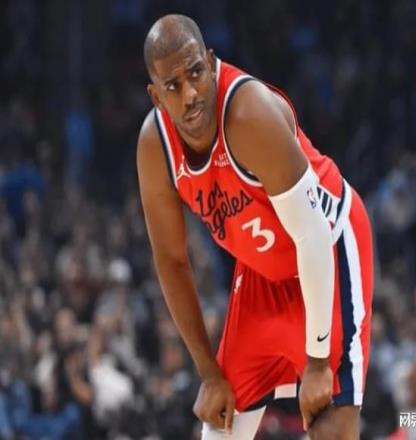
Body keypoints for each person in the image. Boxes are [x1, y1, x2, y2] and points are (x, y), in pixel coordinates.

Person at [137, 14, 373, 440]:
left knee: (331, 430)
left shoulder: (248, 113)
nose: (190, 94)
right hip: (261, 274)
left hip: (327, 250)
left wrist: (317, 361)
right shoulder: (156, 148)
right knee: (220, 426)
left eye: (196, 73)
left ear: (211, 63)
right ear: (156, 96)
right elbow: (171, 261)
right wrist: (209, 373)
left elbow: (312, 234)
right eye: (173, 86)